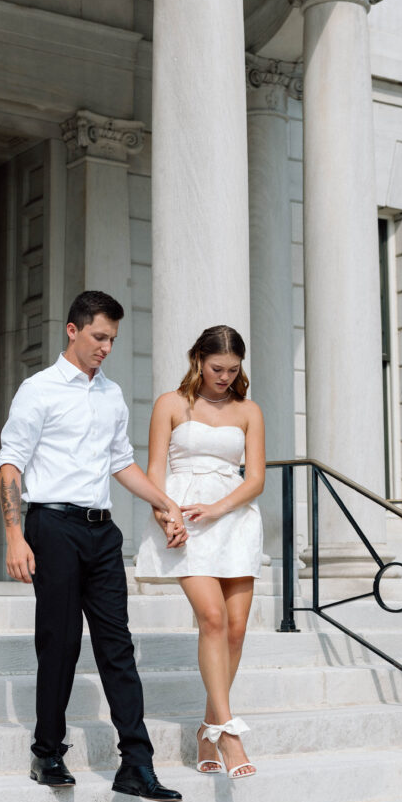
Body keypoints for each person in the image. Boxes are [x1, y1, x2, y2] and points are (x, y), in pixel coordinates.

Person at [0, 290, 185, 802]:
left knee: (117, 645)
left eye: (113, 340)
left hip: (102, 532)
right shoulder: (38, 390)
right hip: (52, 527)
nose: (106, 347)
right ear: (73, 330)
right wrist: (15, 535)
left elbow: (121, 463)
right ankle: (48, 752)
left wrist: (165, 504)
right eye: (100, 337)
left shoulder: (112, 394)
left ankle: (136, 763)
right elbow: (10, 462)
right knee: (59, 642)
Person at [135, 325, 265, 779]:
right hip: (186, 520)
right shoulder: (170, 404)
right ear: (198, 360)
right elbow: (153, 474)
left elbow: (256, 479)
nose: (225, 377)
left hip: (234, 518)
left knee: (236, 629)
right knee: (211, 618)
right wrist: (166, 516)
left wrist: (218, 508)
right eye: (217, 368)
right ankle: (229, 734)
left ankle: (207, 726)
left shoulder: (249, 411)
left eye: (233, 370)